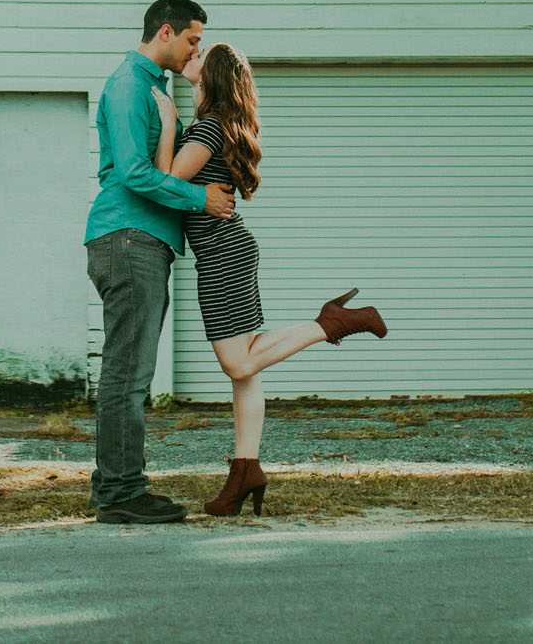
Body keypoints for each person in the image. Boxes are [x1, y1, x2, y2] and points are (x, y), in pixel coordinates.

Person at [150, 41, 388, 516]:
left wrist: (170, 125)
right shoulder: (217, 123)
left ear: (212, 74)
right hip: (229, 250)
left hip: (222, 254)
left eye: (200, 56)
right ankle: (245, 471)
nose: (189, 56)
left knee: (238, 364)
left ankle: (333, 322)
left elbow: (166, 184)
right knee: (248, 369)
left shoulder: (209, 127)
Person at [83, 0, 234, 524]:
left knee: (130, 371)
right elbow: (133, 173)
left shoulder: (154, 87)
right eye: (193, 40)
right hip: (128, 238)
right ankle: (124, 494)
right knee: (128, 374)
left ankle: (112, 487)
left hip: (142, 241)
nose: (197, 50)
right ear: (165, 32)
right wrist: (203, 199)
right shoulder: (128, 85)